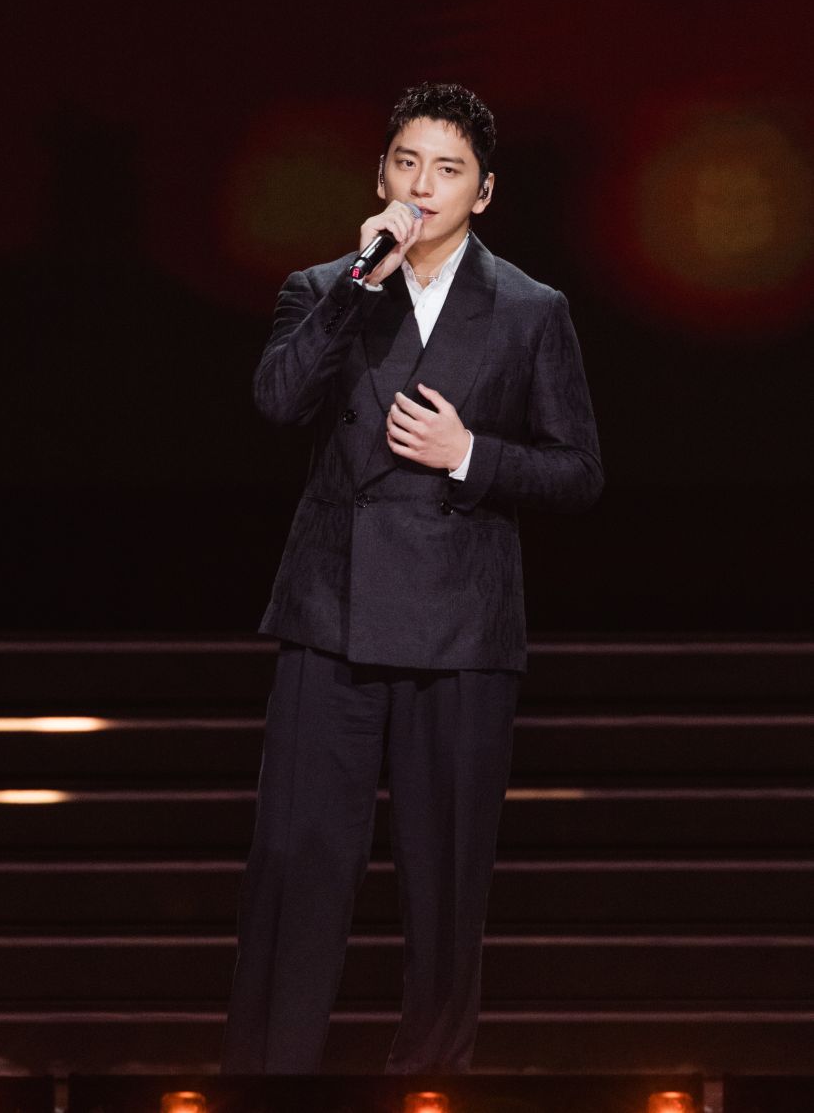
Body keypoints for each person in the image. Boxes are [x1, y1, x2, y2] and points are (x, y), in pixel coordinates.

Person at [220, 81, 603, 1074]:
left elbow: (578, 471)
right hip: (330, 612)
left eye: (447, 170)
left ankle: (431, 1087)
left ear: (484, 192)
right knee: (296, 868)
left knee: (446, 880)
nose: (423, 187)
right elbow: (277, 400)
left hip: (462, 625)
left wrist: (469, 454)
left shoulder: (531, 310)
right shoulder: (325, 287)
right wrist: (360, 282)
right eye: (406, 163)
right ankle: (268, 1083)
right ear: (380, 175)